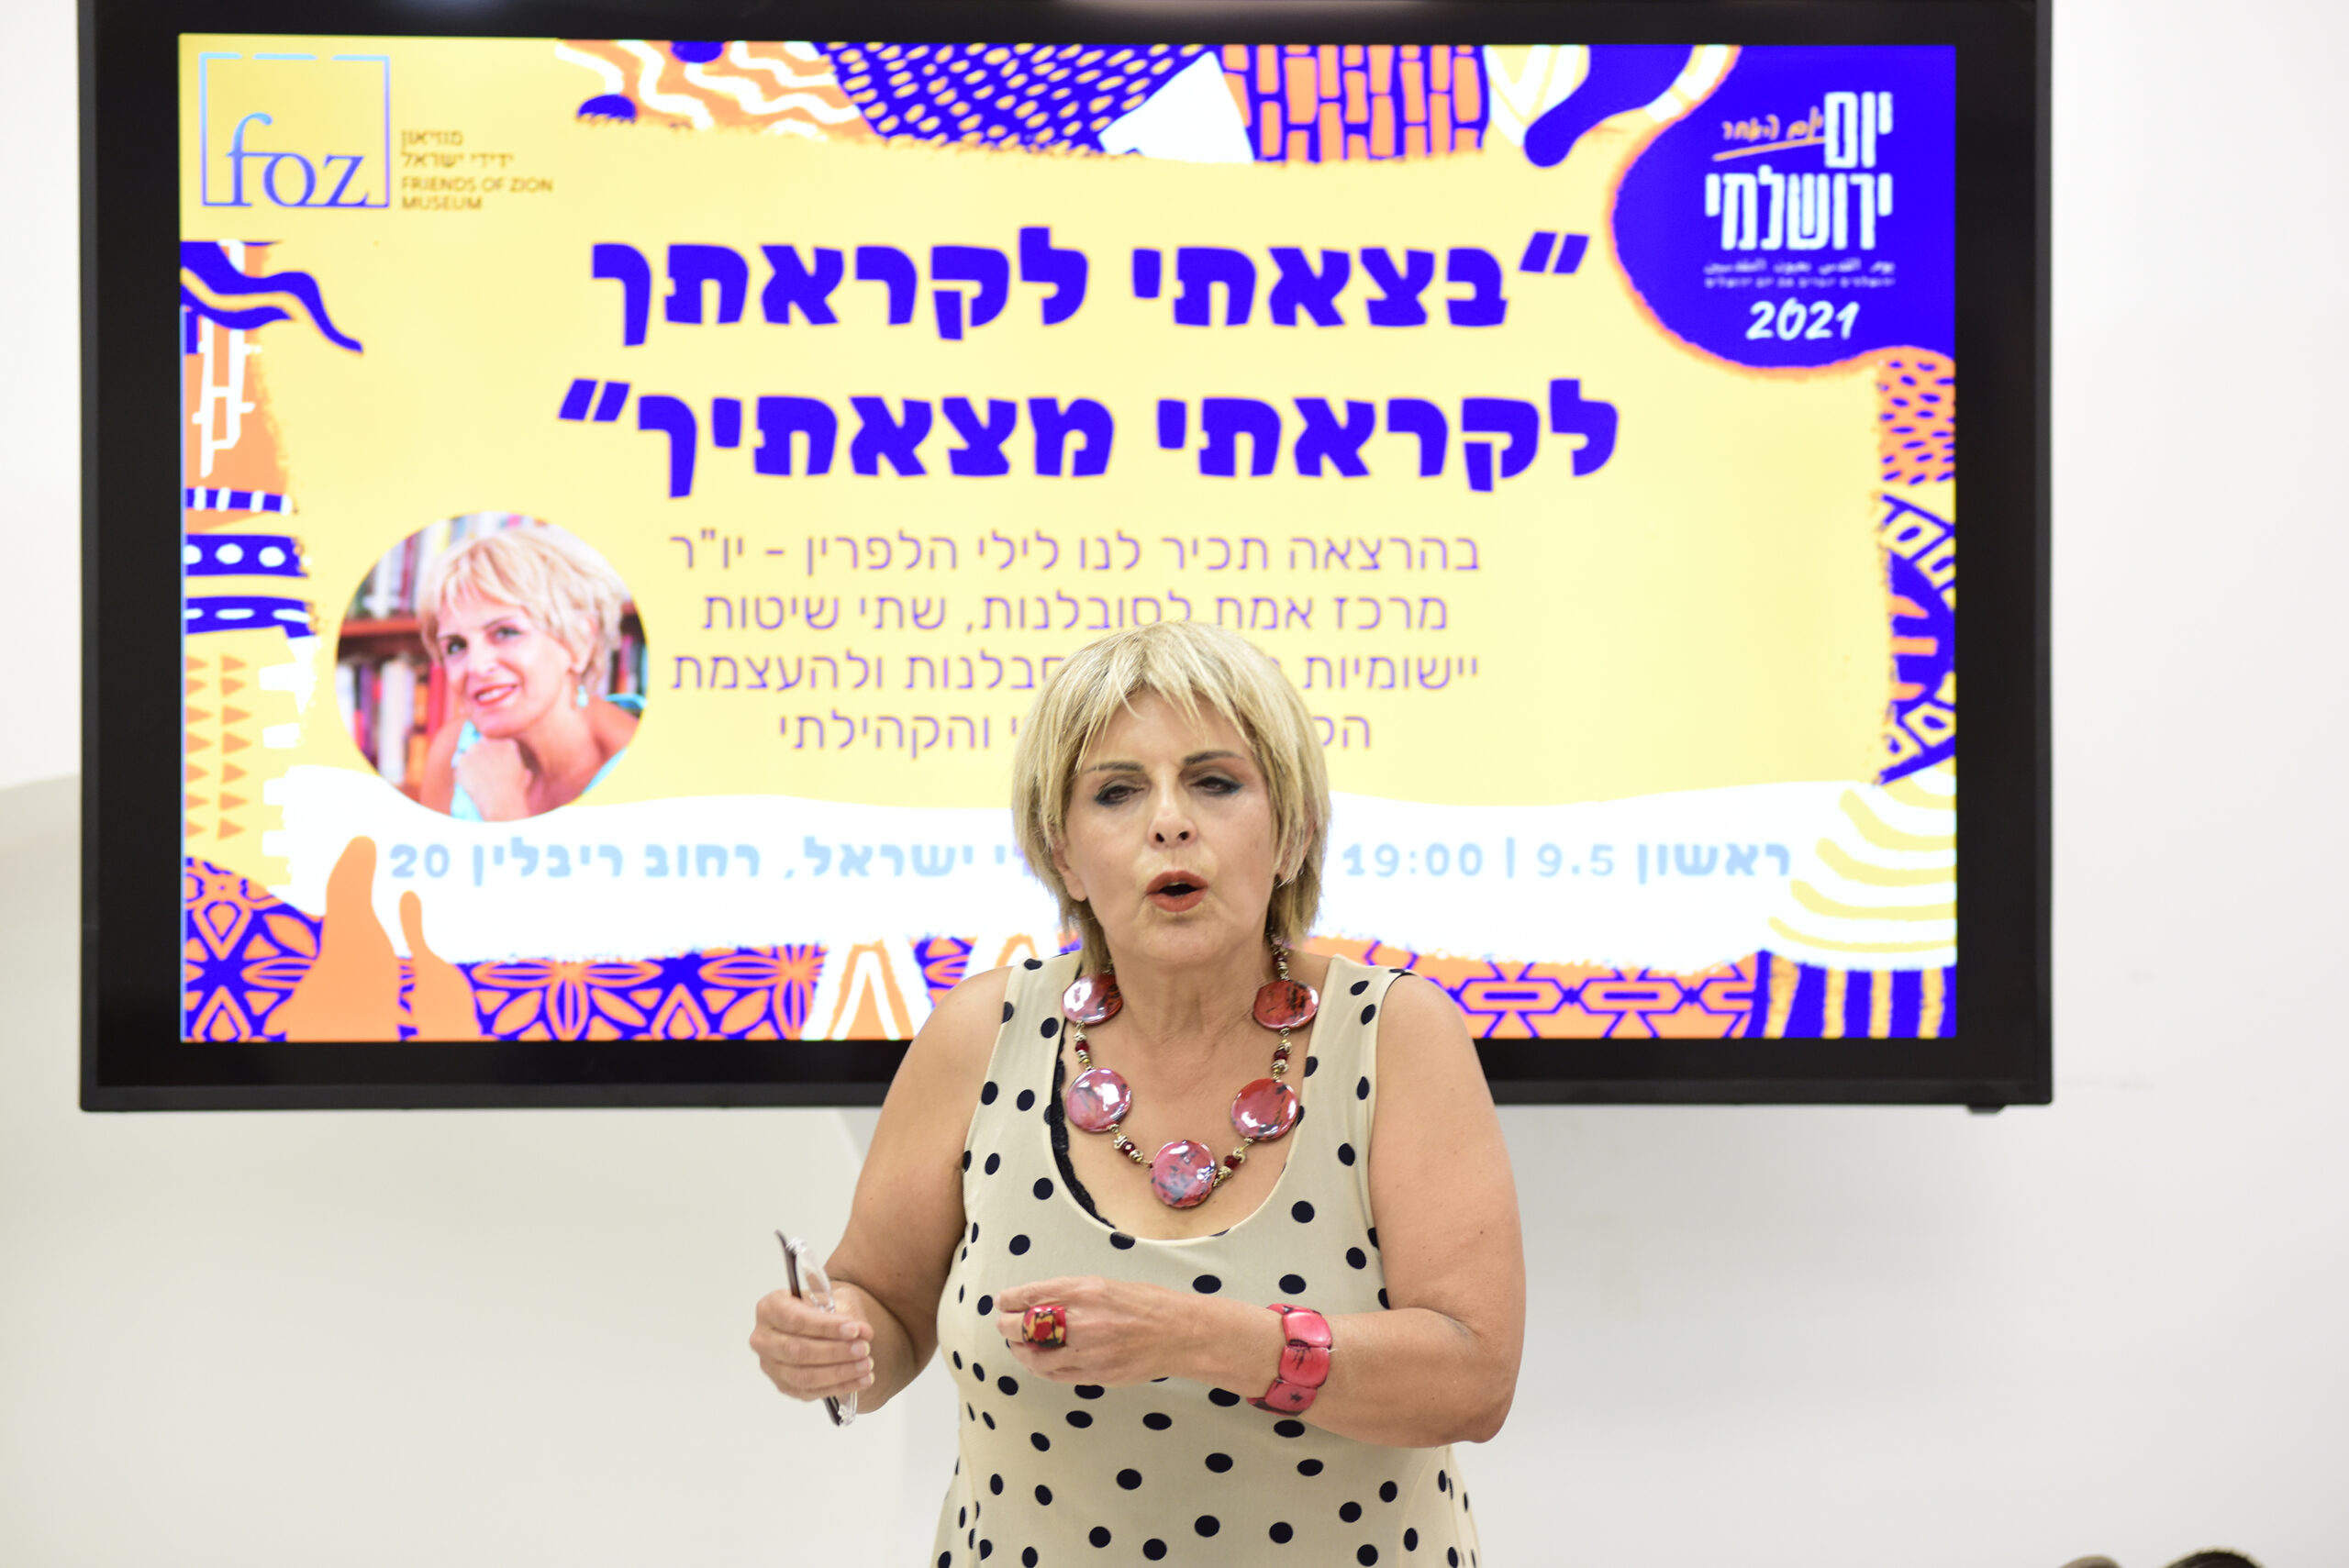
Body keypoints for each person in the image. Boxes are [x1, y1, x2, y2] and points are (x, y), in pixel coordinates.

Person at [751, 621, 1525, 1565]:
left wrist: (1199, 1337)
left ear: (1291, 832)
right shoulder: (978, 1033)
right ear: (1063, 854)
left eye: (1215, 782)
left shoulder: (1396, 1032)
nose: (1168, 821)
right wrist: (832, 1340)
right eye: (1116, 791)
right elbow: (888, 1306)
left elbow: (1473, 1379)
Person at [411, 527, 640, 821]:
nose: (476, 666)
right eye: (456, 646)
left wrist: (503, 808)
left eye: (506, 632)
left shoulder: (647, 768)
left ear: (579, 641)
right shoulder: (453, 751)